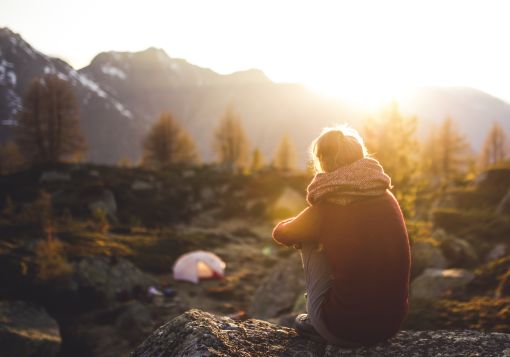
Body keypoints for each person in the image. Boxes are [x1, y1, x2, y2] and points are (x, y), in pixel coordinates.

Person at [272, 125, 411, 346]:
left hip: (342, 330)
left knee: (307, 238)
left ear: (323, 162)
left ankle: (316, 317)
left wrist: (310, 223)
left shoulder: (327, 207)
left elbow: (281, 234)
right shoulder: (386, 196)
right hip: (389, 326)